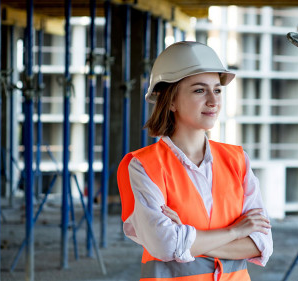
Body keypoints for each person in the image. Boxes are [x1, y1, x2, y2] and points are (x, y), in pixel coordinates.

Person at [117, 41, 273, 281]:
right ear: (170, 101)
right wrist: (236, 231)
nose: (213, 100)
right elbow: (165, 245)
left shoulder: (238, 161)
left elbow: (261, 244)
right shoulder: (143, 166)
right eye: (199, 90)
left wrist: (188, 238)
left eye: (218, 90)